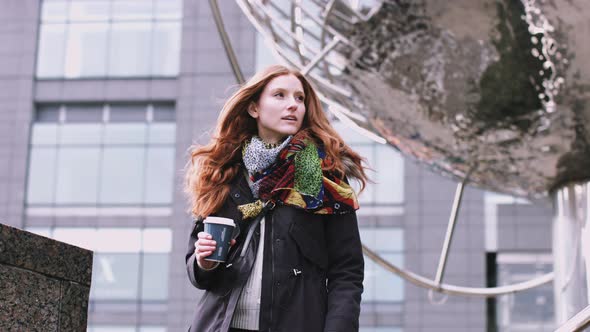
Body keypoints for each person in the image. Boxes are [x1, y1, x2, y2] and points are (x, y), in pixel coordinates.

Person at [184, 64, 368, 332]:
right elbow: (198, 273)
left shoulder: (322, 176)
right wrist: (204, 263)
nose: (292, 104)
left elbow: (347, 272)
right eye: (279, 95)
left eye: (300, 98)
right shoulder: (225, 172)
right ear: (254, 108)